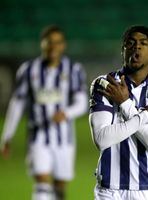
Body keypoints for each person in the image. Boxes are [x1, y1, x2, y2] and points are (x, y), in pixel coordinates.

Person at [89, 25, 148, 200]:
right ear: (123, 51)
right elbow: (101, 139)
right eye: (130, 43)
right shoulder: (104, 84)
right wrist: (146, 116)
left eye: (143, 43)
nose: (136, 47)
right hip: (109, 190)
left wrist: (124, 103)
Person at [0, 25, 88, 200]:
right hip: (37, 137)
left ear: (63, 45)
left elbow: (82, 102)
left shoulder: (73, 70)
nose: (53, 47)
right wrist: (7, 136)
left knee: (59, 190)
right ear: (42, 44)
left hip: (64, 139)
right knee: (41, 185)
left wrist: (67, 113)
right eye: (49, 42)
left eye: (58, 43)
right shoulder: (28, 70)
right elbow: (17, 104)